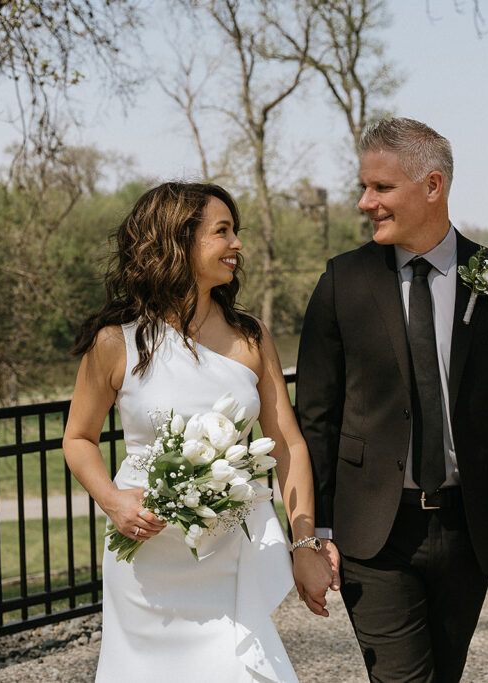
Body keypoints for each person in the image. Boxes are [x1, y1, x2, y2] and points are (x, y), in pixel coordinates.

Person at [296, 117, 488, 682]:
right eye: (365, 187)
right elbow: (315, 420)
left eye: (381, 188)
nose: (366, 202)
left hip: (468, 532)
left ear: (432, 186)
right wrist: (311, 535)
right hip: (374, 536)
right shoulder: (343, 282)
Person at [63, 182, 332, 682]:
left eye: (237, 231)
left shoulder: (251, 336)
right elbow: (78, 439)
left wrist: (305, 543)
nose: (237, 245)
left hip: (230, 554)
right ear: (176, 242)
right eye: (222, 231)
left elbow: (289, 444)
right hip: (146, 557)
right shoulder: (115, 344)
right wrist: (114, 501)